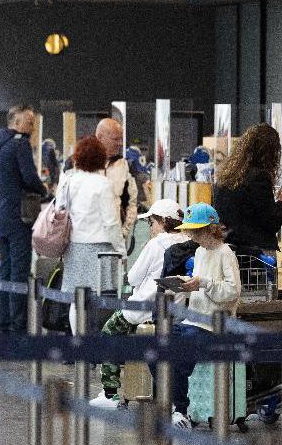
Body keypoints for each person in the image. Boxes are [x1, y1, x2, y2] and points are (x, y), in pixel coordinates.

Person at [89, 199, 185, 409]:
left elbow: (132, 278)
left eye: (152, 223)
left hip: (143, 309)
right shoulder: (186, 241)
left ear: (162, 222)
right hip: (174, 312)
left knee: (109, 332)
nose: (151, 227)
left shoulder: (155, 244)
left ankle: (110, 394)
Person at [162, 203, 241, 429]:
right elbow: (203, 285)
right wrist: (187, 286)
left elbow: (233, 292)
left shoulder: (226, 253)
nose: (191, 234)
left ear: (210, 228)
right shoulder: (199, 252)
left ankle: (180, 409)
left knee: (177, 353)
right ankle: (173, 405)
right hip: (193, 320)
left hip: (213, 325)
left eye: (196, 230)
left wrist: (203, 283)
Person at [0, 105, 46, 333]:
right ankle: (18, 326)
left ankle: (3, 324)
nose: (32, 129)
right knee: (19, 271)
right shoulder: (20, 145)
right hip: (19, 216)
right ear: (17, 123)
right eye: (29, 123)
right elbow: (29, 177)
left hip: (0, 216)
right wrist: (44, 190)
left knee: (5, 269)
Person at [58, 136, 124, 334]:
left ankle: (79, 345)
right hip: (99, 249)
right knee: (99, 301)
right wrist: (121, 249)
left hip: (74, 247)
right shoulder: (102, 184)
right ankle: (94, 346)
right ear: (100, 159)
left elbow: (60, 210)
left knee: (76, 302)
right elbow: (111, 222)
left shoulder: (68, 180)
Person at [212, 123, 282, 257]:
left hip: (228, 249)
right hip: (256, 253)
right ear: (270, 151)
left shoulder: (224, 176)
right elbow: (271, 222)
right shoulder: (259, 177)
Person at [95, 118, 138, 248]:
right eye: (115, 139)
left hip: (114, 240)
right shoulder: (79, 163)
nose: (120, 143)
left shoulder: (124, 165)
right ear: (100, 137)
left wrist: (123, 232)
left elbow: (132, 202)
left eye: (121, 139)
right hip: (84, 239)